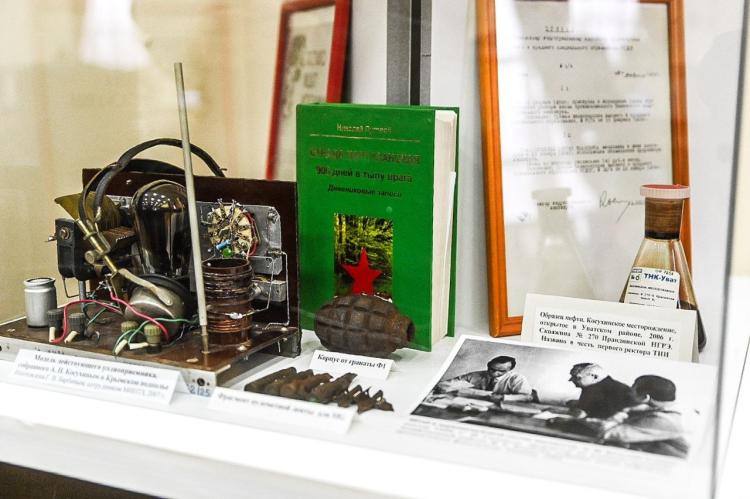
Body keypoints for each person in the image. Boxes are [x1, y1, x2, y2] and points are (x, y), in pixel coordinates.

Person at [598, 375, 688, 458]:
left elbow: (608, 433)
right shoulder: (675, 410)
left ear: (646, 397)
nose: (630, 393)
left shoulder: (663, 420)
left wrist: (617, 416)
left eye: (632, 391)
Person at [436, 355, 534, 402]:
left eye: (501, 371)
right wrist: (448, 387)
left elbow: (528, 397)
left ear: (510, 370)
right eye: (492, 369)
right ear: (488, 365)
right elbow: (444, 384)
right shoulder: (475, 375)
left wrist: (503, 397)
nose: (494, 373)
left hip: (501, 408)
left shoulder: (517, 378)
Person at [567, 363, 638, 418]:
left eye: (576, 377)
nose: (571, 380)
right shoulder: (593, 386)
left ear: (594, 377)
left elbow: (613, 415)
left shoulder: (617, 390)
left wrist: (587, 414)